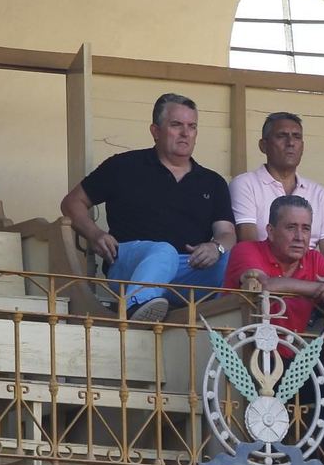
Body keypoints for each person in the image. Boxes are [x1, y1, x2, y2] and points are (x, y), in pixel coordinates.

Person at [61, 92, 235, 324]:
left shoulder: (212, 181)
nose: (185, 133)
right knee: (164, 252)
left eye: (191, 126)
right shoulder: (123, 166)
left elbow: (227, 234)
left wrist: (216, 248)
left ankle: (235, 323)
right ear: (155, 131)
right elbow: (72, 203)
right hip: (132, 265)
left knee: (235, 257)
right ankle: (136, 308)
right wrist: (94, 234)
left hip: (189, 269)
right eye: (176, 125)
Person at [225, 195, 324, 336]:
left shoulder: (314, 258)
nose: (299, 237)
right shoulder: (245, 249)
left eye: (305, 229)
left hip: (293, 353)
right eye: (291, 227)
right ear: (271, 232)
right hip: (238, 350)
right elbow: (263, 285)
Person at [229, 112, 324, 265]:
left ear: (302, 146)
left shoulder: (318, 192)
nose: (290, 142)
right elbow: (248, 241)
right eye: (281, 136)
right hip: (263, 277)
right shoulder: (245, 184)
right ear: (263, 146)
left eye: (296, 137)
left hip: (310, 280)